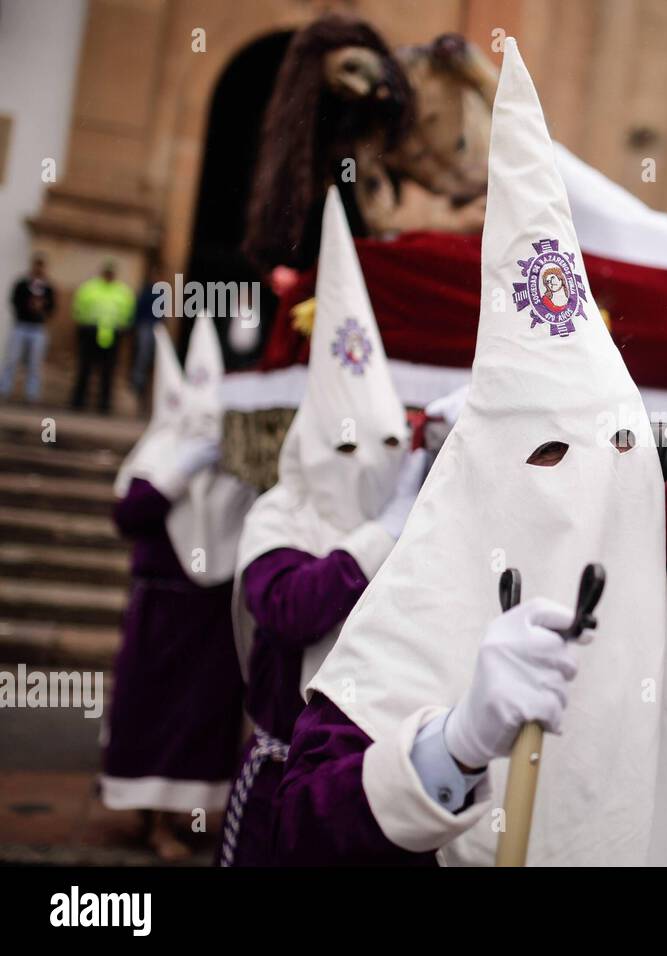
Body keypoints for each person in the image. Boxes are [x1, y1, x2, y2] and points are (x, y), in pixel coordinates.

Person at [271, 39, 667, 866]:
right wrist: (456, 741)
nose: (585, 476)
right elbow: (296, 830)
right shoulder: (439, 563)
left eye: (615, 444)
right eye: (547, 452)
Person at [221, 187, 427, 867]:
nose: (366, 463)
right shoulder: (279, 513)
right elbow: (290, 607)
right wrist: (382, 535)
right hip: (283, 786)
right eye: (345, 447)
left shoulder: (406, 519)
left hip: (374, 787)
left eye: (385, 446)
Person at [101, 313, 255, 860]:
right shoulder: (163, 452)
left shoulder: (233, 464)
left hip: (212, 615)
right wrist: (177, 474)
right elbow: (131, 516)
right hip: (162, 615)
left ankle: (185, 813)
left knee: (202, 718)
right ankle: (150, 820)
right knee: (152, 711)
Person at [71, 259, 135, 412]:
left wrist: (123, 327)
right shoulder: (90, 288)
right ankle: (78, 401)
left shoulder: (122, 291)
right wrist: (82, 325)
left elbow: (128, 311)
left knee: (108, 371)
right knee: (85, 368)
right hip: (90, 331)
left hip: (112, 333)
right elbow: (78, 306)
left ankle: (104, 404)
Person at [0, 254, 56, 403]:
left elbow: (52, 308)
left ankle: (32, 394)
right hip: (21, 325)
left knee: (34, 363)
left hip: (38, 328)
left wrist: (41, 308)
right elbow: (14, 301)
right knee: (12, 359)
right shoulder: (22, 284)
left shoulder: (48, 288)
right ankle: (4, 389)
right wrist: (28, 306)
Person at [131, 268, 167, 412]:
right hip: (146, 327)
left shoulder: (162, 293)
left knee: (154, 359)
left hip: (156, 328)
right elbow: (139, 310)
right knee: (142, 357)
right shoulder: (147, 292)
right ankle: (138, 386)